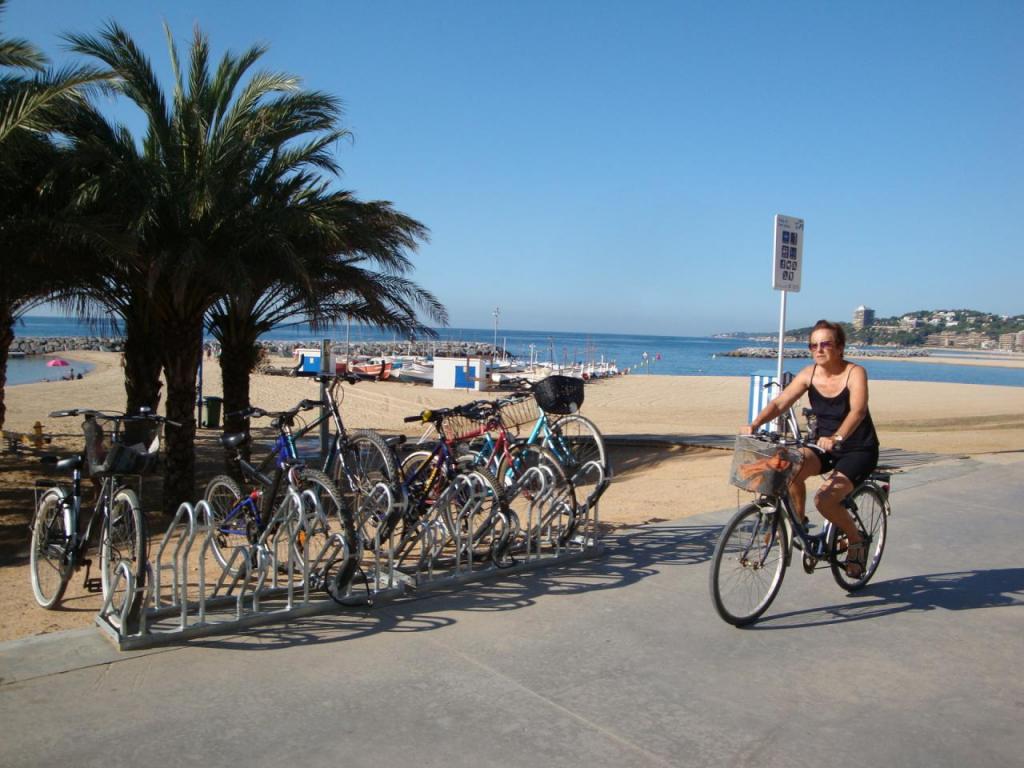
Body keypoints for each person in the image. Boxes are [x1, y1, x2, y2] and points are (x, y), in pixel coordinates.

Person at [742, 319, 880, 577]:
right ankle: (799, 523)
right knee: (788, 466)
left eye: (825, 344)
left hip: (858, 449)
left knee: (825, 500)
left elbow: (858, 411)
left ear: (840, 347)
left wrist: (837, 436)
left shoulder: (855, 373)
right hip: (824, 446)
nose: (819, 349)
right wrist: (755, 423)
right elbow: (781, 402)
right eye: (813, 345)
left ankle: (856, 540)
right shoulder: (809, 373)